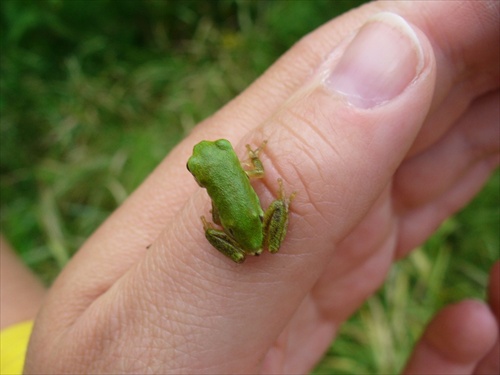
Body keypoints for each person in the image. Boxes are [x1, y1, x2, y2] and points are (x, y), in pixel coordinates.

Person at [2, 1, 498, 373]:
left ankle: (249, 242)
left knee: (242, 231)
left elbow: (219, 212)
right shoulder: (244, 167)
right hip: (254, 226)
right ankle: (258, 234)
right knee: (266, 212)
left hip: (246, 234)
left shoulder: (217, 186)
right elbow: (256, 174)